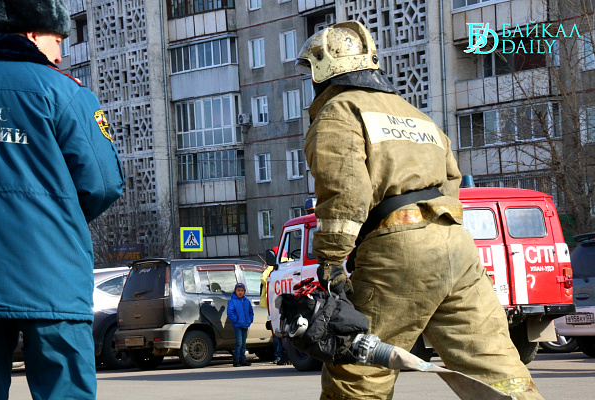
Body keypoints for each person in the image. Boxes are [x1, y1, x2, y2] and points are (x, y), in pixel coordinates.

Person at [296, 21, 543, 400]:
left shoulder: (338, 112)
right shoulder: (415, 115)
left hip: (397, 250)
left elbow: (345, 193)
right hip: (456, 248)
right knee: (494, 364)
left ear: (320, 70)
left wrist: (330, 261)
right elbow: (452, 181)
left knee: (358, 369)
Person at [0, 1, 124, 398]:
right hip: (52, 273)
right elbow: (103, 184)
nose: (60, 54)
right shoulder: (63, 91)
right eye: (57, 41)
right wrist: (58, 215)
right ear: (32, 33)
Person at [227, 283, 254, 367]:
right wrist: (236, 320)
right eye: (238, 290)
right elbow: (230, 312)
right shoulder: (232, 301)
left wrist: (250, 320)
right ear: (235, 291)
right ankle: (236, 359)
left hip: (245, 325)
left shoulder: (247, 301)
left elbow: (251, 312)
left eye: (242, 290)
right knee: (239, 342)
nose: (240, 292)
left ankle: (242, 359)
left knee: (243, 343)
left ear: (244, 291)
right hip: (238, 325)